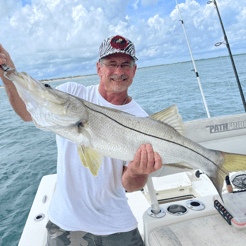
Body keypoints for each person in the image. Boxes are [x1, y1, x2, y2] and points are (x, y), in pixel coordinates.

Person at [0, 35, 162, 246]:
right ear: (99, 68)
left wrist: (136, 171)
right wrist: (7, 72)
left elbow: (130, 185)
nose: (119, 72)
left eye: (125, 65)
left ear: (134, 70)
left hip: (116, 224)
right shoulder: (71, 93)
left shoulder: (142, 119)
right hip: (65, 223)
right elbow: (26, 112)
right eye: (111, 64)